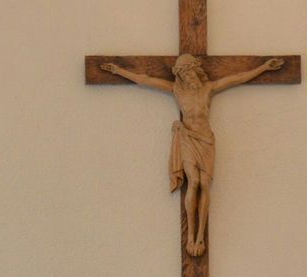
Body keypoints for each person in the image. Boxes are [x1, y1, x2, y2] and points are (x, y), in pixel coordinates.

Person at [100, 55, 285, 257]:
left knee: (205, 184)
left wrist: (264, 68)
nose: (189, 76)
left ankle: (200, 236)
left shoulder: (209, 88)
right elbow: (145, 79)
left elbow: (238, 77)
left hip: (206, 140)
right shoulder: (177, 90)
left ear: (196, 70)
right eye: (184, 73)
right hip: (188, 138)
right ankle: (190, 236)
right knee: (194, 182)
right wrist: (119, 71)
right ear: (180, 76)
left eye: (190, 72)